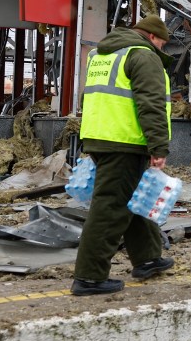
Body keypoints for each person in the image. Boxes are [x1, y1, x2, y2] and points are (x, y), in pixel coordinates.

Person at [72, 15, 175, 296]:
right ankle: (89, 277)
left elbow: (90, 99)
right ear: (152, 37)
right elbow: (151, 104)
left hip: (101, 137)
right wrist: (158, 146)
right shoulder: (143, 56)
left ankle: (148, 258)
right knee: (110, 208)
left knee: (134, 201)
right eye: (162, 44)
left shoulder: (103, 54)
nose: (162, 50)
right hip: (125, 140)